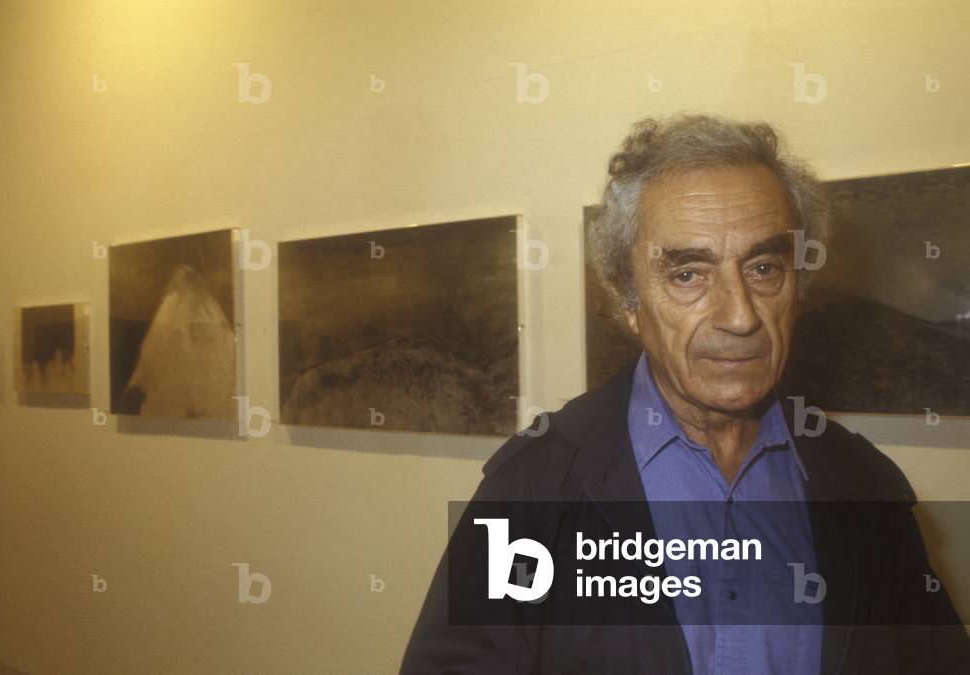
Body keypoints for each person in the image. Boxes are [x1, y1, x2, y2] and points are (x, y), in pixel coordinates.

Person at [400, 114, 969, 674]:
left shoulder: (865, 486)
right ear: (628, 301)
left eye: (764, 268)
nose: (740, 316)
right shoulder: (534, 488)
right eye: (688, 274)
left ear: (798, 286)